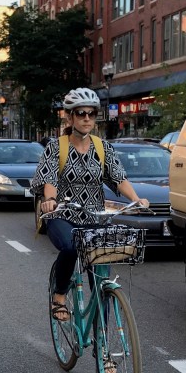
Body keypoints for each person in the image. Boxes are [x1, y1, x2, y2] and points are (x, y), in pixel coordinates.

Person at [32, 88, 149, 322]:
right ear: (70, 117)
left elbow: (119, 178)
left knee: (101, 280)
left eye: (92, 114)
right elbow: (50, 180)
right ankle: (60, 296)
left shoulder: (102, 147)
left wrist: (135, 199)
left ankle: (102, 350)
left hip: (94, 217)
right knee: (71, 247)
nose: (87, 118)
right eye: (81, 113)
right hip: (62, 215)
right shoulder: (57, 147)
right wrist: (50, 201)